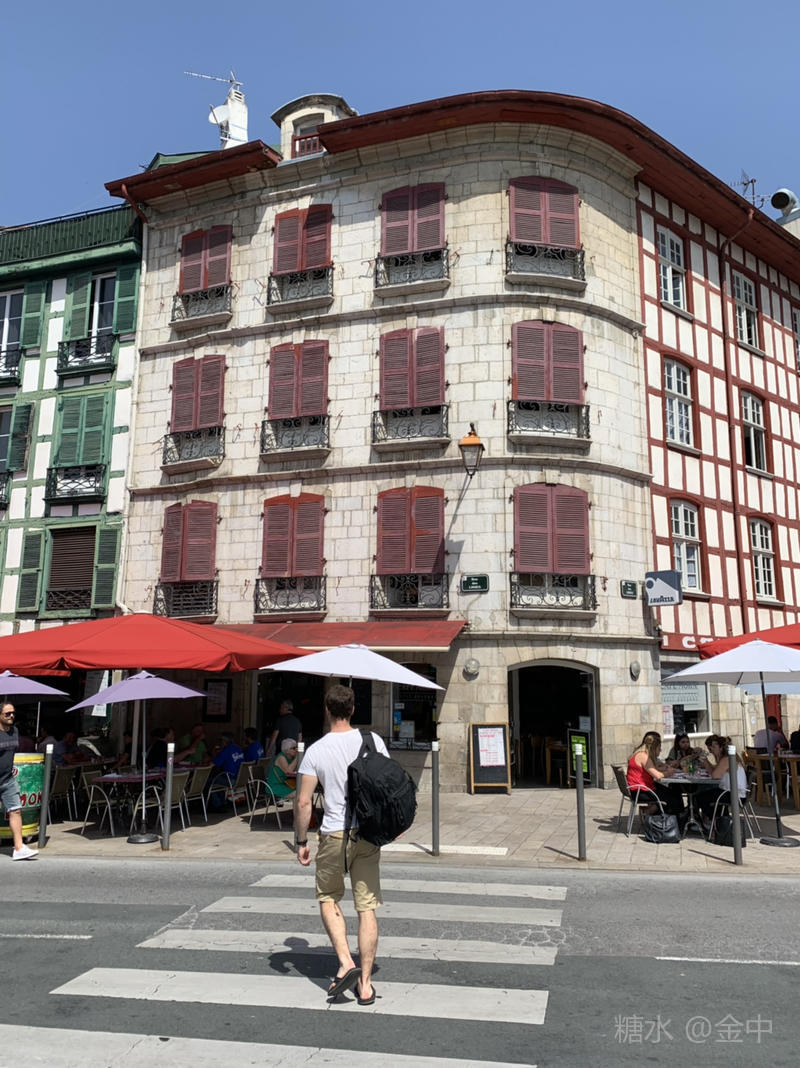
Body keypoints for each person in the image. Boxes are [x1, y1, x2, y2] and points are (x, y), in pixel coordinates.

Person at [295, 684, 387, 1006]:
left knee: (328, 897)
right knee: (366, 907)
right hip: (367, 833)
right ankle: (365, 984)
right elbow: (387, 786)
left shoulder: (316, 750)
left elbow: (303, 802)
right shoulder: (373, 741)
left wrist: (301, 841)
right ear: (353, 709)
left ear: (326, 710)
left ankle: (345, 960)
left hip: (333, 833)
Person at [0, 703, 38, 860]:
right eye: (7, 714)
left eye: (13, 713)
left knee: (15, 810)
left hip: (7, 779)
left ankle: (19, 848)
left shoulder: (14, 731)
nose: (11, 716)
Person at [626, 730, 684, 815]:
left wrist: (665, 768)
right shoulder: (644, 757)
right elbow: (658, 776)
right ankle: (653, 812)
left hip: (638, 789)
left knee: (674, 792)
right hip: (641, 791)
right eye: (659, 748)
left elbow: (652, 769)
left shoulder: (639, 754)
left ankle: (651, 810)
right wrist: (669, 772)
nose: (660, 750)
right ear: (654, 747)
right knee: (675, 798)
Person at [696, 734, 747, 825]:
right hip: (734, 792)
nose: (711, 750)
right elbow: (715, 770)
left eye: (713, 747)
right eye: (710, 748)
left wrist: (705, 761)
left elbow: (715, 775)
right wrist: (706, 762)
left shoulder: (727, 759)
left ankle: (712, 822)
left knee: (700, 797)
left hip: (735, 795)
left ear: (721, 748)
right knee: (708, 793)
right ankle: (719, 820)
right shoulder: (727, 758)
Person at [265, 738, 298, 803]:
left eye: (297, 747)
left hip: (285, 784)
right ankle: (297, 810)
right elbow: (289, 772)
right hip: (275, 786)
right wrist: (297, 757)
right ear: (286, 750)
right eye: (294, 748)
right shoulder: (281, 757)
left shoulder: (292, 758)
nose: (296, 750)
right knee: (298, 793)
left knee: (304, 791)